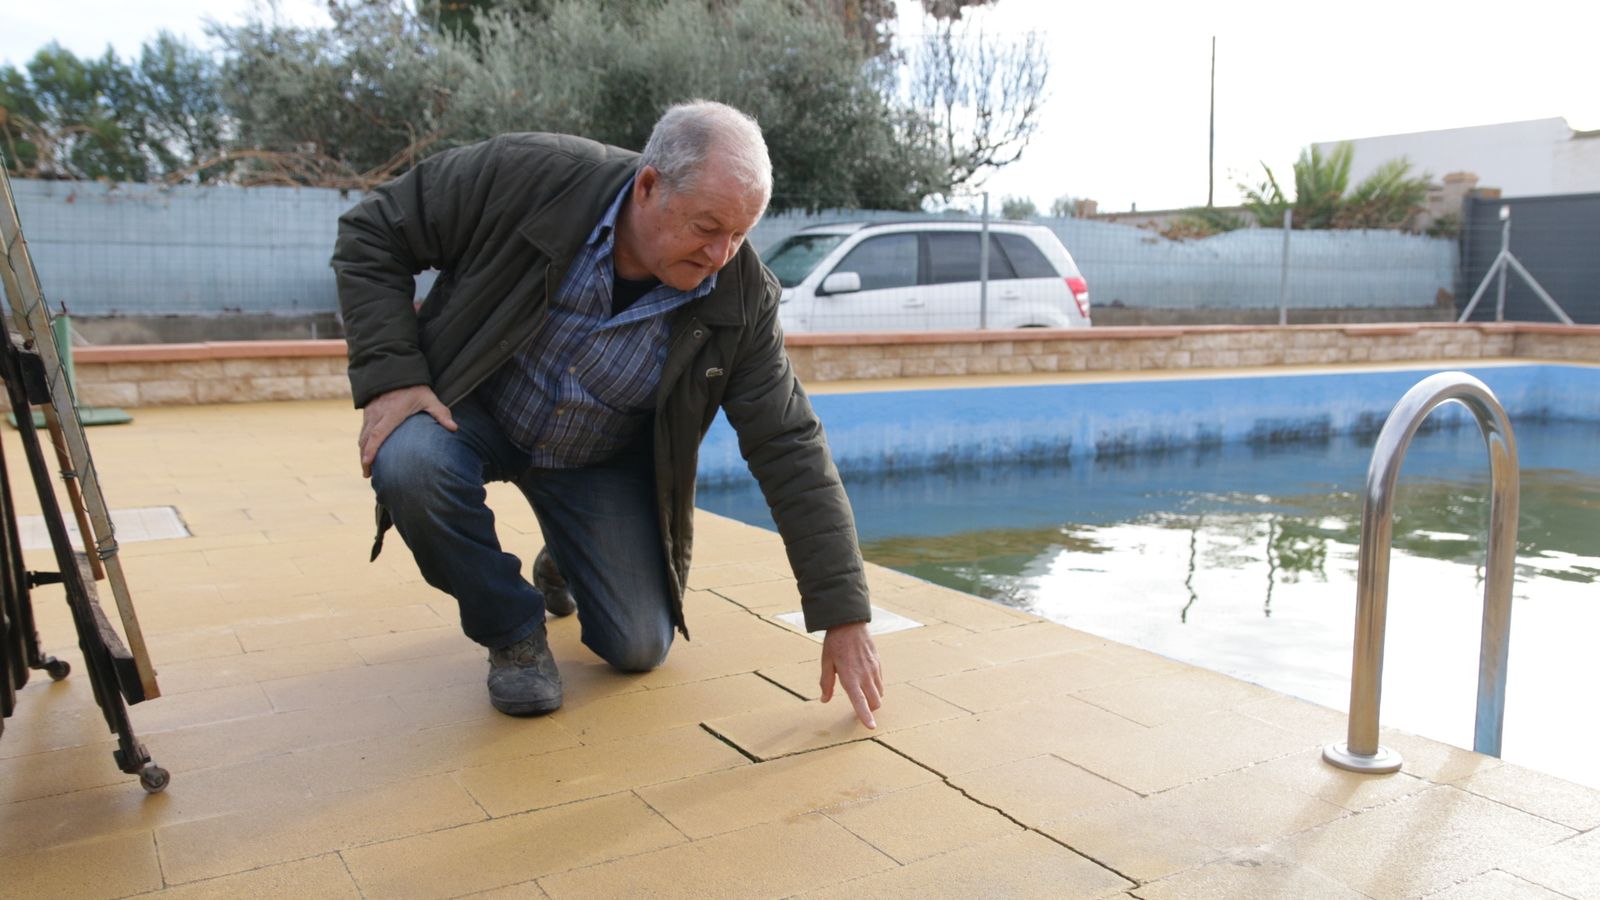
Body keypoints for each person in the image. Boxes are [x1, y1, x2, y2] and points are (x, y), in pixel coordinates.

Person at [333, 101, 885, 727]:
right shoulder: (530, 175)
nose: (720, 255)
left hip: (594, 457)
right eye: (707, 227)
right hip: (476, 408)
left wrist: (844, 615)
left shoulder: (742, 296)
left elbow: (788, 444)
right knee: (409, 463)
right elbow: (373, 230)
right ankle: (511, 631)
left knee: (639, 646)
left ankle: (565, 555)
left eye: (740, 234)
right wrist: (394, 379)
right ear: (649, 186)